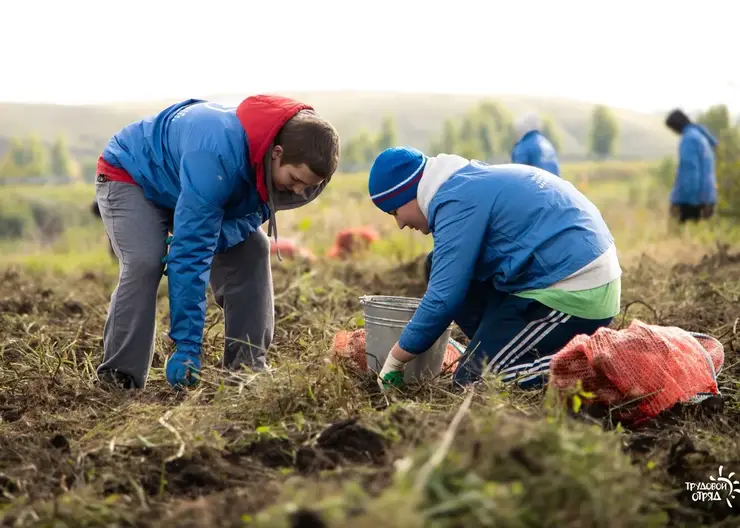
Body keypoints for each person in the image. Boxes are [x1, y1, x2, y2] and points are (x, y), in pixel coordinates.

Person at [94, 95, 340, 390]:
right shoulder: (218, 157)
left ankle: (247, 371)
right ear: (276, 153)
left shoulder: (304, 180)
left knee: (254, 249)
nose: (299, 191)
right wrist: (187, 346)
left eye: (307, 186)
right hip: (133, 175)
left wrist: (217, 237)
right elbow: (191, 254)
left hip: (194, 188)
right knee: (145, 260)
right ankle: (119, 377)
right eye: (295, 179)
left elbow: (257, 210)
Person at [368, 146, 621, 391]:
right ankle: (496, 349)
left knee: (474, 381)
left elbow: (442, 299)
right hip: (556, 275)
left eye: (395, 211)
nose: (400, 223)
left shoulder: (456, 201)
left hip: (577, 288)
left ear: (411, 192)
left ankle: (591, 362)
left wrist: (396, 360)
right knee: (435, 264)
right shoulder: (463, 181)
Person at [665, 108, 718, 223]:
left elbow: (690, 171)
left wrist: (687, 201)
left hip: (693, 199)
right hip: (709, 196)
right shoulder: (701, 136)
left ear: (675, 126)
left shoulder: (689, 139)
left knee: (676, 233)